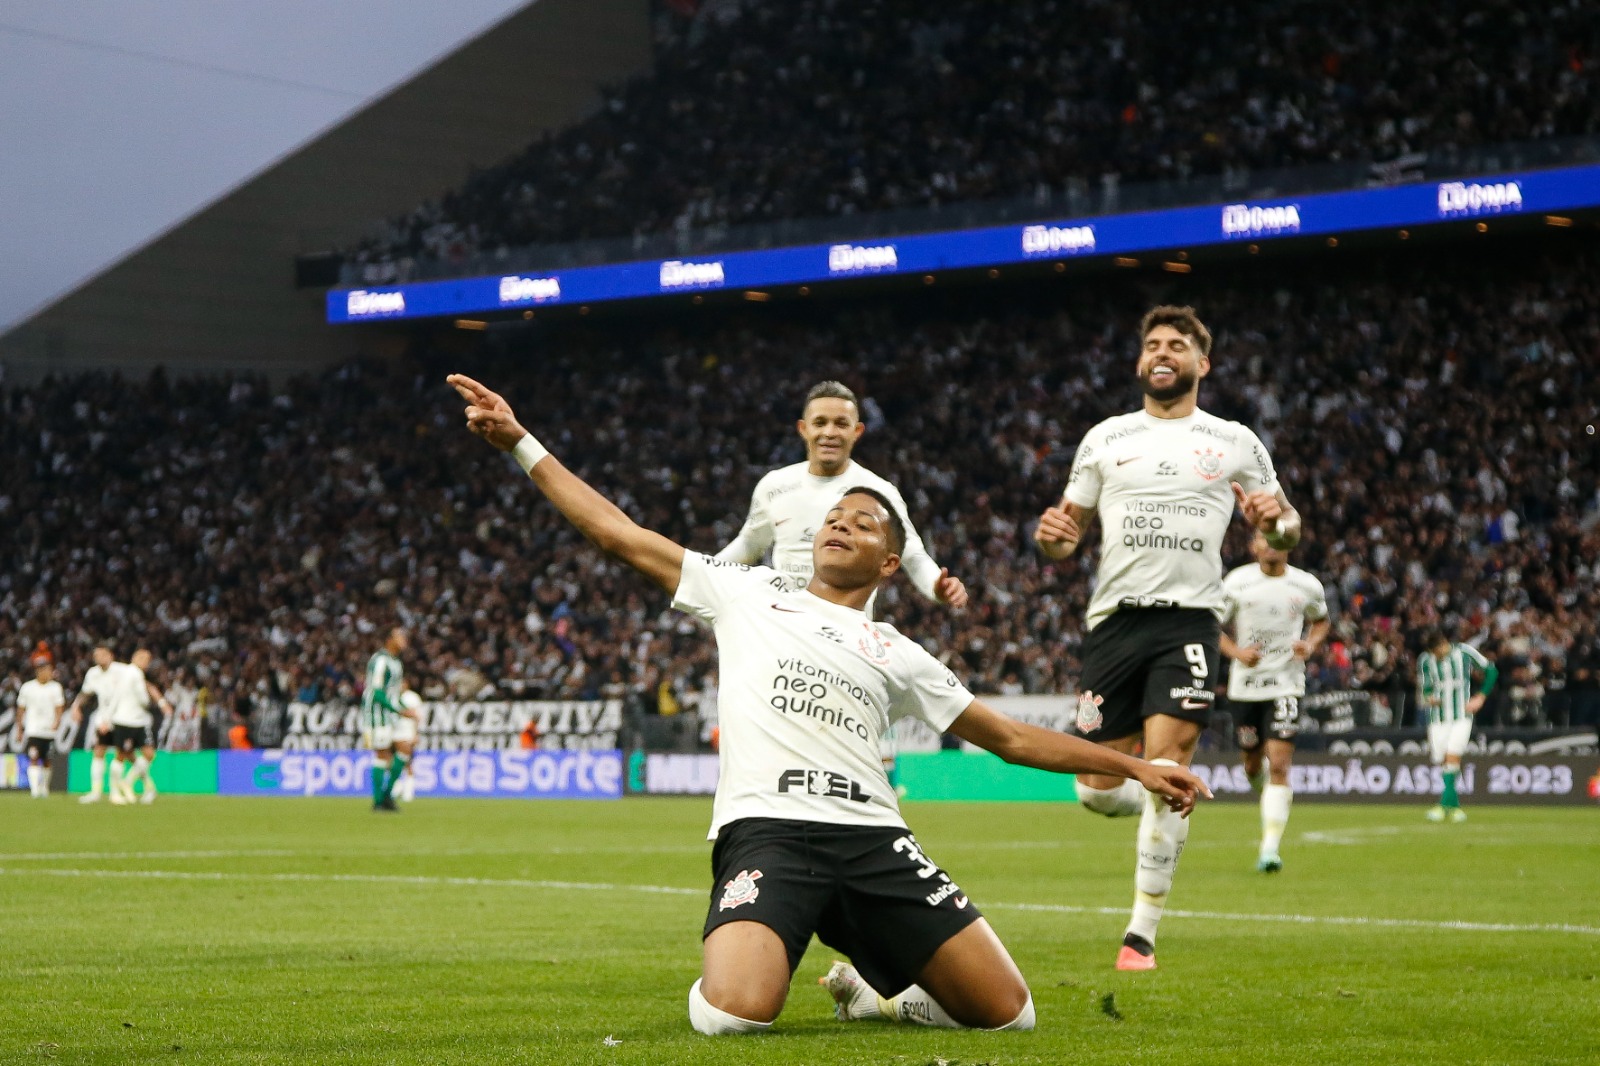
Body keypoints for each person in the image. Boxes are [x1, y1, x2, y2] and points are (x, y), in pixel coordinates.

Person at [448, 372, 1210, 1036]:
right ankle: (758, 937)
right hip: (770, 832)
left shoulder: (897, 651)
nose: (841, 521)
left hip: (873, 838)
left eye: (864, 521)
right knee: (737, 1014)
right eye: (834, 517)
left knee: (1011, 1014)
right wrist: (520, 441)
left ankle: (875, 999)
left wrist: (1134, 768)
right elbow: (618, 533)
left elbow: (1008, 736)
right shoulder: (744, 589)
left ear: (888, 560)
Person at [1033, 305, 1301, 971]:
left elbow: (1286, 524)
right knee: (1096, 787)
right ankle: (1154, 788)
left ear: (1201, 363)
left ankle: (1141, 933)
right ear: (1138, 361)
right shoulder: (1105, 438)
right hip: (1114, 622)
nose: (1163, 352)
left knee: (1169, 767)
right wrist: (1053, 542)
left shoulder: (1234, 440)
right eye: (1152, 343)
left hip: (1188, 620)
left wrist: (1282, 522)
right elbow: (1063, 536)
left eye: (1177, 345)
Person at [1220, 532, 1330, 872]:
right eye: (1264, 540)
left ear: (1289, 545)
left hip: (1286, 684)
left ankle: (1270, 848)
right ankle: (1269, 794)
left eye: (1278, 540)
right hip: (1246, 688)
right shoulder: (1237, 582)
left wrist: (1310, 645)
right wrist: (1237, 652)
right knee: (1252, 765)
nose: (1271, 545)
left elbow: (1322, 621)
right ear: (1253, 546)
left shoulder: (1306, 584)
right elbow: (1212, 626)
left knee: (1280, 765)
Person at [1416, 629, 1497, 823]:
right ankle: (1455, 807)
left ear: (1444, 642)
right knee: (1446, 762)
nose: (1436, 656)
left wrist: (1481, 696)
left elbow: (1491, 670)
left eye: (1438, 651)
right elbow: (1426, 689)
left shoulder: (1464, 652)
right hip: (1438, 719)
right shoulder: (1425, 660)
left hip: (1462, 715)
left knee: (1453, 756)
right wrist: (1429, 698)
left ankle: (1443, 805)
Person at [107, 648, 173, 805]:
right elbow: (143, 699)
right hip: (132, 721)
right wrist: (150, 702)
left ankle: (126, 786)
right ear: (136, 658)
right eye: (145, 659)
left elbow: (115, 696)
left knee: (129, 755)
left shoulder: (125, 673)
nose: (147, 663)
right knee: (134, 755)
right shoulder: (135, 674)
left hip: (125, 720)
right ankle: (121, 788)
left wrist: (109, 717)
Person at [362, 627, 417, 812]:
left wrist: (404, 707)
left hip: (392, 715)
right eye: (400, 636)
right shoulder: (380, 661)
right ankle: (379, 801)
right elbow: (376, 693)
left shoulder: (396, 663)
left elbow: (393, 693)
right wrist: (400, 710)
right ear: (389, 640)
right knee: (382, 755)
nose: (404, 639)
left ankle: (386, 795)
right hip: (376, 716)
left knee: (405, 749)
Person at [67, 645, 123, 804]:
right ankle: (96, 792)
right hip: (104, 719)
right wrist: (76, 706)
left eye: (103, 654)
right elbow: (86, 692)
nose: (100, 658)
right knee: (99, 751)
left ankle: (118, 790)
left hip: (123, 717)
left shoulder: (122, 671)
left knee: (124, 754)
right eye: (96, 655)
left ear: (111, 655)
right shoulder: (93, 673)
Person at [14, 644, 65, 798]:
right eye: (46, 669)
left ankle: (44, 787)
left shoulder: (55, 687)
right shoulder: (27, 688)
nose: (49, 672)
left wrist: (57, 721)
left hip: (49, 731)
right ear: (39, 671)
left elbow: (59, 707)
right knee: (34, 758)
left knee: (48, 760)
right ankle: (35, 789)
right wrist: (19, 729)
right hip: (33, 729)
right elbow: (21, 709)